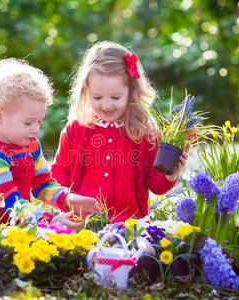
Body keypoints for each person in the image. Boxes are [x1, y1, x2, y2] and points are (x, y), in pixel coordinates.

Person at [51, 41, 190, 223]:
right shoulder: (77, 128)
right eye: (97, 97)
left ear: (131, 91)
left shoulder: (143, 131)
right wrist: (68, 201)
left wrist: (170, 175)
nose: (106, 105)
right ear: (86, 91)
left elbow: (155, 183)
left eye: (115, 97)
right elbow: (59, 174)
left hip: (129, 225)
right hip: (82, 224)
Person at [0, 58, 99, 228]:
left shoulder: (31, 145)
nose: (35, 130)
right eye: (28, 123)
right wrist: (50, 220)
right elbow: (11, 203)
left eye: (39, 122)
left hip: (21, 226)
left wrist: (69, 200)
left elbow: (42, 185)